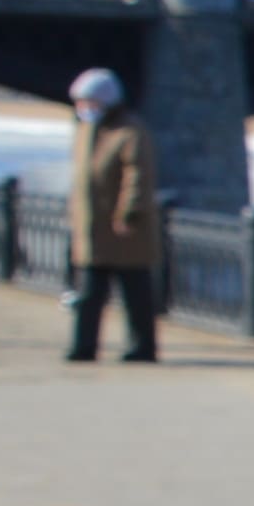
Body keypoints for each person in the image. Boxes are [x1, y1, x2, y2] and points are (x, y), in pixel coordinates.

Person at [61, 67, 166, 362]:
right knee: (89, 294)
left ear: (106, 102)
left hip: (125, 230)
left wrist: (130, 212)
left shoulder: (130, 132)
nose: (83, 108)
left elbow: (137, 175)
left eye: (88, 102)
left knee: (136, 294)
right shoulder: (87, 131)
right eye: (80, 103)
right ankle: (84, 346)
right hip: (94, 228)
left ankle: (143, 347)